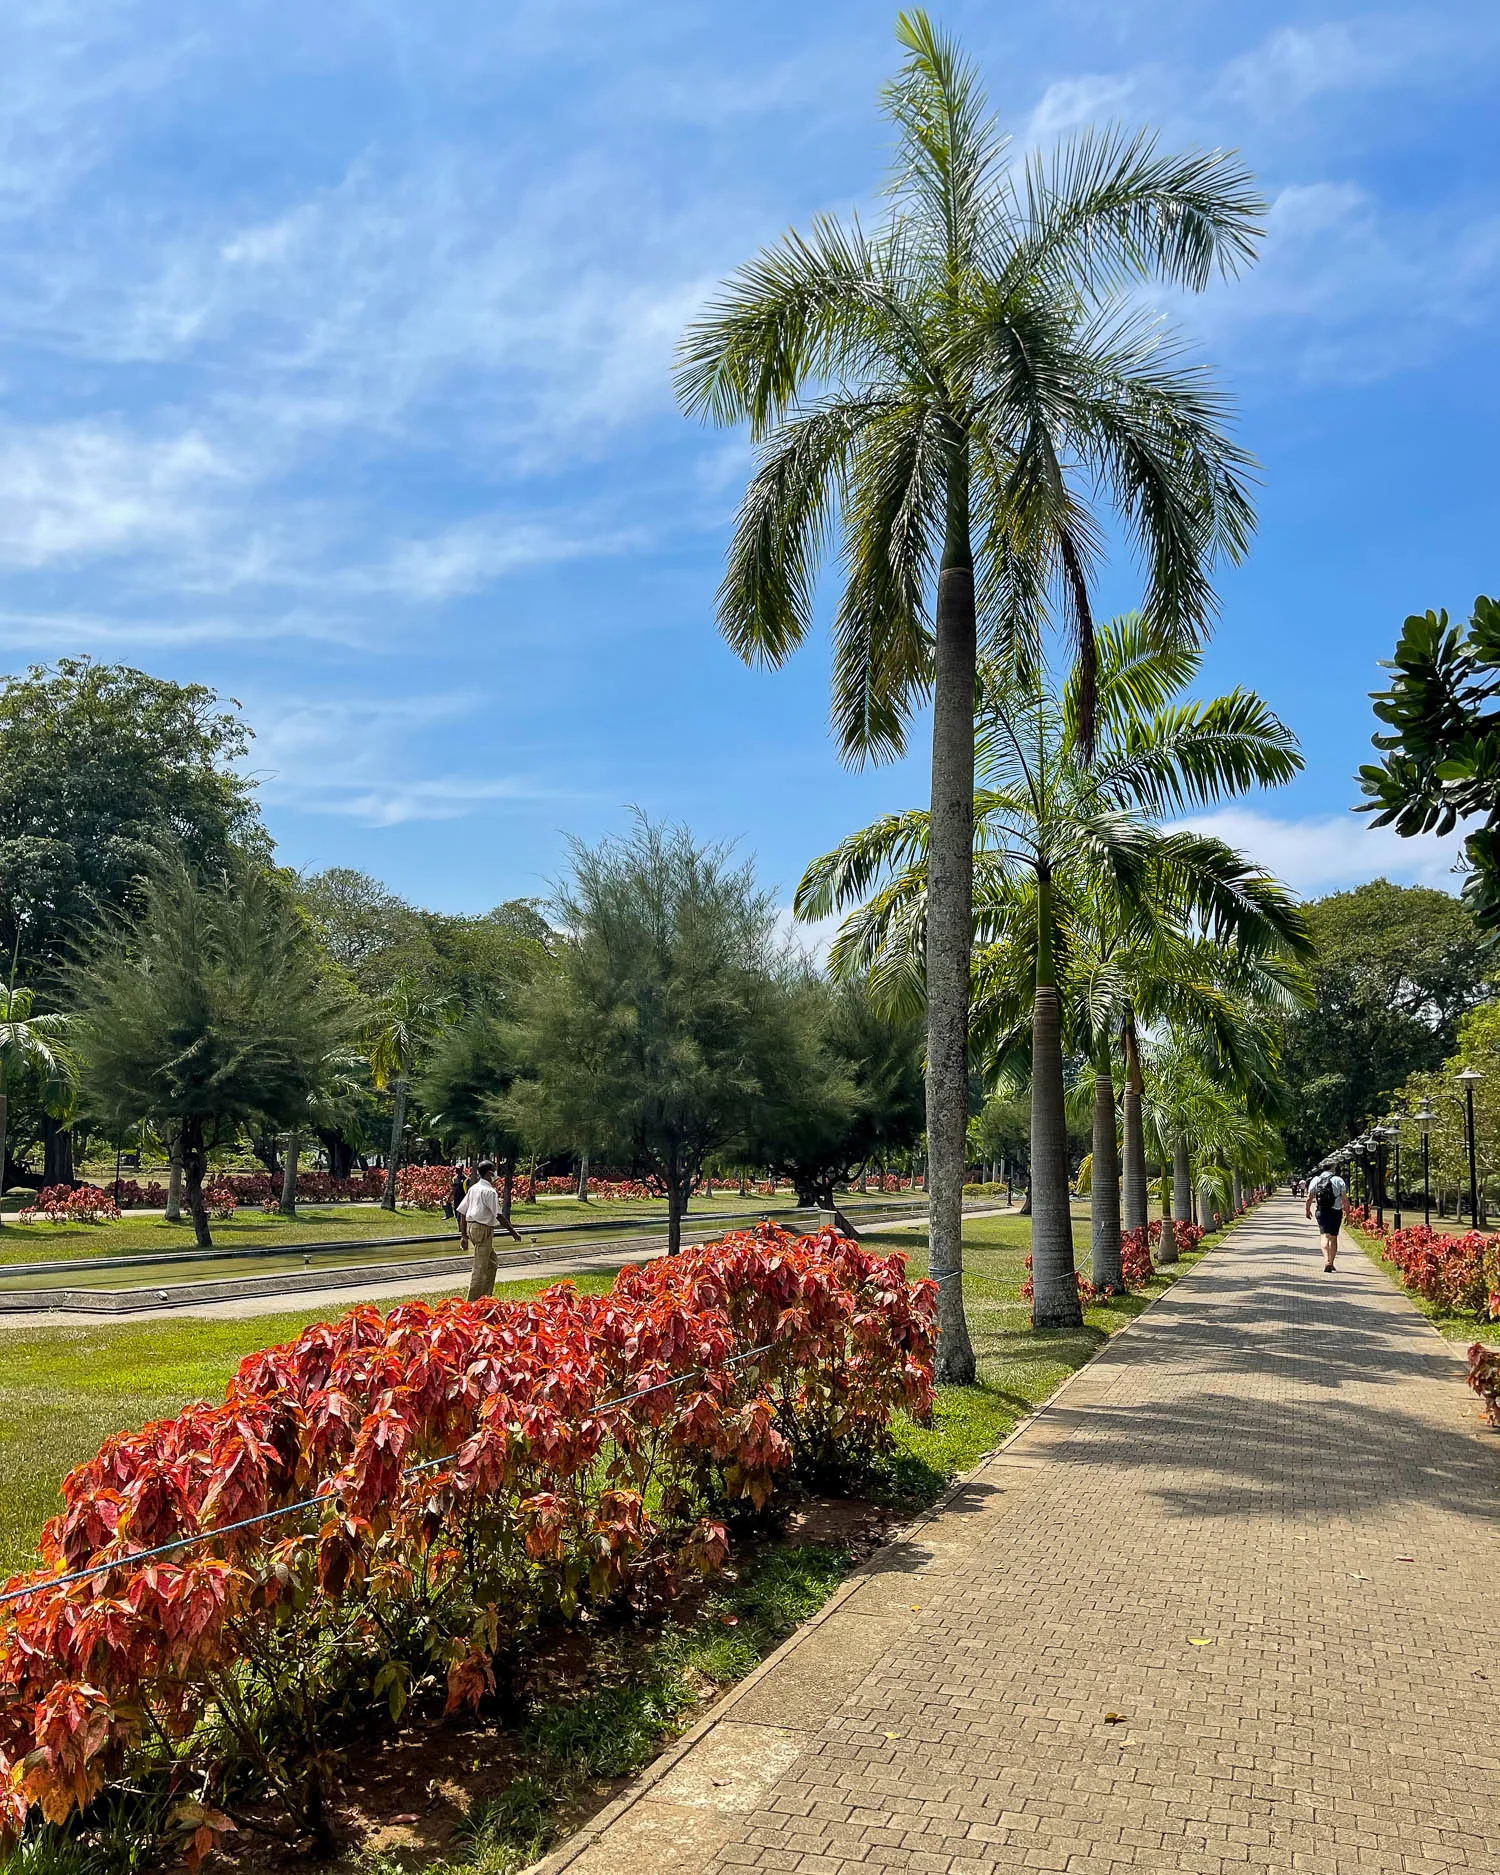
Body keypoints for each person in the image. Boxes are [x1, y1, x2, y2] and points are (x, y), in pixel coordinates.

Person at [1304, 1165, 1347, 1272]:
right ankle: (1331, 1263)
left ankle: (1326, 1261)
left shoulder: (1316, 1180)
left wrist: (1307, 1210)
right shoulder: (1338, 1180)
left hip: (1321, 1211)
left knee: (1324, 1236)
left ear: (1322, 1168)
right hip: (1336, 1212)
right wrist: (1348, 1213)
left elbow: (1310, 1197)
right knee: (1333, 1237)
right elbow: (1344, 1198)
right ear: (1333, 1168)